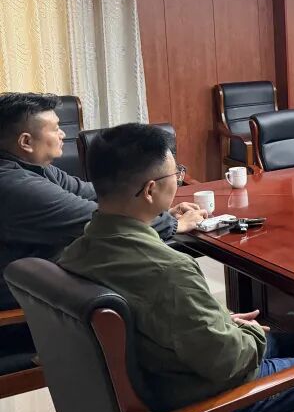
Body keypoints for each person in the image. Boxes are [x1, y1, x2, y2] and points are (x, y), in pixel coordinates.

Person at [57, 124, 294, 412]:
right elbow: (228, 361)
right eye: (175, 174)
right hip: (198, 404)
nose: (178, 180)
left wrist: (221, 321)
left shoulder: (76, 251)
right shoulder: (169, 270)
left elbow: (170, 319)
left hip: (157, 374)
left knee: (293, 342)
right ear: (150, 190)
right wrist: (249, 332)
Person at [0, 92, 205, 311]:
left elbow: (100, 193)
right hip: (30, 299)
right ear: (26, 141)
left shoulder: (36, 168)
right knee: (156, 271)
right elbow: (105, 222)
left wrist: (158, 212)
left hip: (48, 279)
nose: (62, 134)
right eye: (55, 128)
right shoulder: (13, 185)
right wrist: (174, 224)